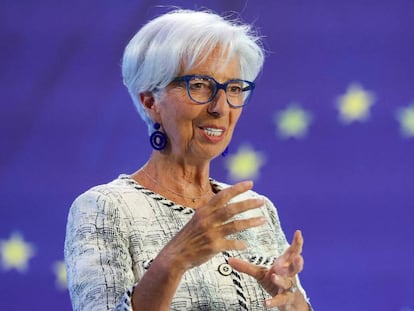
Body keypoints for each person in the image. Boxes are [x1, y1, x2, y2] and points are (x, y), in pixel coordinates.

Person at [64, 8, 312, 311]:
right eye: (199, 85)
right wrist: (175, 260)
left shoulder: (257, 209)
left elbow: (290, 302)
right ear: (150, 101)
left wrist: (292, 302)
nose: (220, 107)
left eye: (233, 88)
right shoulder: (105, 208)